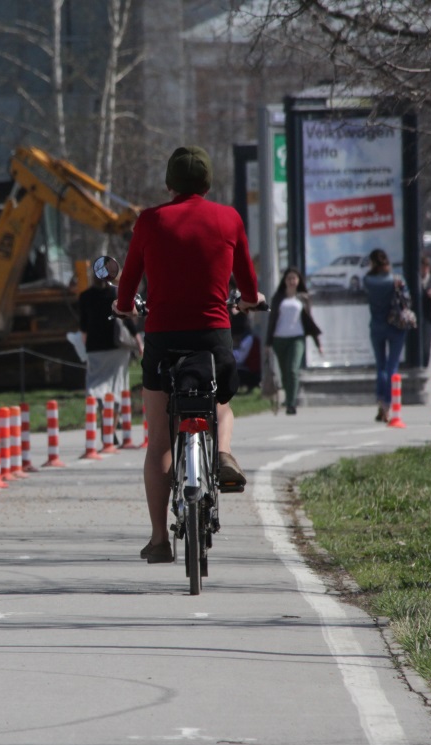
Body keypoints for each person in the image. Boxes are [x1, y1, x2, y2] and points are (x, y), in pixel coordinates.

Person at [112, 146, 264, 565]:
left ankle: (160, 538)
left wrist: (124, 307)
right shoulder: (229, 219)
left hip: (163, 339)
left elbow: (128, 284)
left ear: (169, 183)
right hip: (213, 338)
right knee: (222, 408)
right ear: (208, 183)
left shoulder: (150, 220)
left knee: (159, 438)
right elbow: (248, 284)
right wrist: (249, 301)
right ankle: (222, 453)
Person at [79, 269, 139, 434]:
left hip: (94, 348)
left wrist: (85, 347)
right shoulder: (115, 294)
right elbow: (127, 320)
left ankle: (102, 420)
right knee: (117, 387)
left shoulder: (85, 296)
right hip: (117, 347)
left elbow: (83, 326)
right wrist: (138, 341)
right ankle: (111, 430)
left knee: (96, 386)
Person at [265, 267, 321, 415]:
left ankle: (291, 402)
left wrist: (318, 343)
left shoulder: (303, 298)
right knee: (284, 372)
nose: (291, 281)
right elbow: (272, 321)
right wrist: (268, 343)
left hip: (297, 338)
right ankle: (288, 398)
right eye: (289, 278)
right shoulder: (278, 298)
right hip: (279, 339)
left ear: (298, 281)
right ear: (284, 280)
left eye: (294, 278)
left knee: (293, 369)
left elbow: (310, 320)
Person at [364, 248, 409, 420]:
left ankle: (381, 403)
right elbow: (407, 299)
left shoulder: (368, 280)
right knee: (392, 366)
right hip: (396, 326)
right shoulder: (396, 280)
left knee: (381, 366)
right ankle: (389, 404)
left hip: (377, 326)